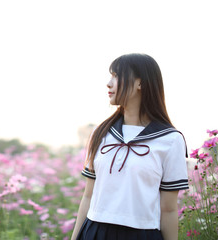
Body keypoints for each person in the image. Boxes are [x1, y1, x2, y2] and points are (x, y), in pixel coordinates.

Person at [71, 53, 189, 240]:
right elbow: (88, 196)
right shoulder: (101, 133)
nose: (109, 83)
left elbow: (168, 209)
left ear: (140, 83)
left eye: (117, 76)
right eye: (110, 76)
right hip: (95, 232)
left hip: (142, 234)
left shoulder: (170, 140)